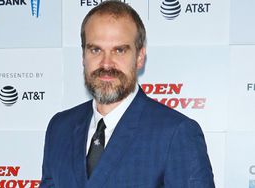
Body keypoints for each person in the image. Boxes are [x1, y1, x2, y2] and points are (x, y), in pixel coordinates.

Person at [40, 1, 215, 187]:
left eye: (119, 50)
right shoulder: (60, 128)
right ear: (83, 56)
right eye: (96, 49)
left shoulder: (176, 133)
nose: (106, 64)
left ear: (139, 57)